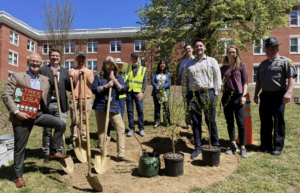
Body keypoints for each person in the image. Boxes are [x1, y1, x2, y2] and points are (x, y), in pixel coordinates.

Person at [1, 54, 70, 188]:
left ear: (41, 64)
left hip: (38, 114)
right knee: (20, 148)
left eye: (38, 62)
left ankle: (53, 152)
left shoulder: (44, 79)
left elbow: (55, 91)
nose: (35, 63)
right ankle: (19, 176)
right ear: (28, 62)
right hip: (22, 116)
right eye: (33, 61)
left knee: (60, 124)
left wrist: (57, 78)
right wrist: (17, 112)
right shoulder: (18, 76)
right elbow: (6, 95)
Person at [254, 37, 297, 156]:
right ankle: (266, 145)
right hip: (265, 96)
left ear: (278, 48)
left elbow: (291, 77)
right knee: (265, 122)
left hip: (278, 96)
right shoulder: (262, 64)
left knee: (278, 122)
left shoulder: (285, 61)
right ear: (265, 50)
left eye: (273, 48)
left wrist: (288, 92)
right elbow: (258, 81)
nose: (270, 50)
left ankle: (277, 146)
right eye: (268, 48)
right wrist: (256, 94)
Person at [183, 39, 222, 159]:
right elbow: (185, 80)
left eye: (201, 46)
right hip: (193, 95)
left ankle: (215, 145)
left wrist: (215, 93)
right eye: (196, 46)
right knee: (196, 122)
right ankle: (197, 148)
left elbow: (217, 77)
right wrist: (186, 94)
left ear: (204, 47)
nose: (199, 48)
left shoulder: (212, 61)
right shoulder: (188, 64)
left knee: (211, 120)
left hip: (208, 93)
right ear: (194, 48)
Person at [91, 56, 133, 162]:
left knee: (121, 128)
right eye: (107, 64)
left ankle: (121, 154)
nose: (109, 67)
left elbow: (123, 90)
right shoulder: (98, 77)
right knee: (102, 131)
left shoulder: (118, 77)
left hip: (113, 106)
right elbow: (94, 89)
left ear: (114, 66)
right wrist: (106, 86)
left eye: (111, 65)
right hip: (100, 106)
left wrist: (114, 80)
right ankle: (103, 154)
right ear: (104, 65)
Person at [39, 49, 75, 162]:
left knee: (61, 127)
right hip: (47, 104)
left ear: (60, 57)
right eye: (53, 55)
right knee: (47, 130)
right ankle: (46, 152)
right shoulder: (43, 70)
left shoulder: (64, 71)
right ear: (49, 57)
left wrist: (72, 78)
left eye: (57, 56)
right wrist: (51, 76)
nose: (55, 57)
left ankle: (57, 152)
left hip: (61, 104)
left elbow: (70, 87)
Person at [221, 45, 248, 158]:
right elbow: (220, 81)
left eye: (233, 52)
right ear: (227, 54)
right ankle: (233, 145)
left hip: (238, 97)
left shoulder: (241, 66)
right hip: (226, 97)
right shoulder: (223, 68)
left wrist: (244, 95)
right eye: (229, 52)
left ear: (236, 54)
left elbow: (245, 82)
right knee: (230, 122)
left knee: (240, 122)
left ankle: (242, 147)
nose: (231, 54)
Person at [68, 52, 94, 149]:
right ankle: (74, 139)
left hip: (86, 98)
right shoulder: (71, 70)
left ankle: (83, 139)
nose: (81, 60)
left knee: (84, 120)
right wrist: (77, 75)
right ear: (76, 59)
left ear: (85, 59)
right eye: (79, 58)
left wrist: (85, 75)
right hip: (75, 98)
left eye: (83, 58)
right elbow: (71, 84)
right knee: (75, 120)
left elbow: (91, 84)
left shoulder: (89, 71)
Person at [126, 52, 147, 137]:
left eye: (136, 58)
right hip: (129, 93)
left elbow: (145, 81)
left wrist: (142, 92)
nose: (135, 60)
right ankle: (131, 128)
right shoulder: (127, 69)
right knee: (130, 111)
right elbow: (125, 80)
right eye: (133, 58)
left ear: (138, 59)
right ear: (131, 59)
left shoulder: (143, 69)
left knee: (140, 111)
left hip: (138, 93)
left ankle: (141, 128)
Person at [106, 58, 128, 137]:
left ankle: (119, 135)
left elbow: (125, 87)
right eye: (117, 64)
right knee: (108, 117)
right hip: (113, 97)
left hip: (121, 97)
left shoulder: (124, 76)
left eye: (120, 65)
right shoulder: (110, 75)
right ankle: (107, 134)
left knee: (119, 116)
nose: (118, 66)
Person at [151, 60, 171, 128]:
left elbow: (168, 83)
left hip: (165, 93)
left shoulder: (168, 74)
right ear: (159, 65)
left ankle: (166, 122)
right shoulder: (155, 73)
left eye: (164, 63)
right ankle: (157, 122)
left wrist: (160, 88)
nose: (162, 65)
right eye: (161, 63)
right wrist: (157, 89)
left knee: (166, 108)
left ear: (165, 65)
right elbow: (152, 81)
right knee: (157, 108)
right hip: (156, 93)